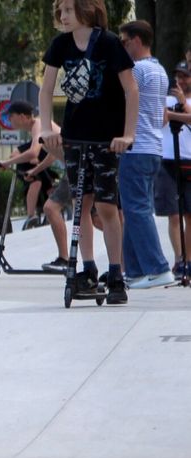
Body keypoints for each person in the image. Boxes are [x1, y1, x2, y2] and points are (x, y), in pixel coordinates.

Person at [40, 0, 137, 305]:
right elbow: (46, 89)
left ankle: (116, 273)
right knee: (80, 203)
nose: (63, 16)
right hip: (74, 136)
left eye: (68, 10)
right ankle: (89, 268)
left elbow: (131, 90)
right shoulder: (61, 45)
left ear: (86, 10)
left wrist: (127, 134)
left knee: (107, 207)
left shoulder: (108, 44)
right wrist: (46, 129)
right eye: (61, 11)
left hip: (106, 140)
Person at [117, 20, 174, 289]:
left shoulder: (136, 70)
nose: (122, 47)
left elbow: (121, 101)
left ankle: (158, 267)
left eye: (125, 42)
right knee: (134, 208)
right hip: (153, 147)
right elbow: (163, 117)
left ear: (137, 41)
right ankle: (137, 271)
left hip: (136, 148)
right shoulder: (160, 70)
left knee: (136, 209)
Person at [0, 101, 57, 229]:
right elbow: (53, 155)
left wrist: (7, 163)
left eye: (11, 116)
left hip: (77, 164)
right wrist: (35, 170)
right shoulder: (37, 129)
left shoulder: (39, 125)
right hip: (72, 164)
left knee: (54, 208)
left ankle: (33, 216)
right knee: (52, 208)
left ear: (22, 116)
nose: (9, 120)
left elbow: (33, 153)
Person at [158, 61, 191, 276]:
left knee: (190, 214)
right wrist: (171, 111)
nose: (180, 81)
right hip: (167, 160)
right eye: (178, 76)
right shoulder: (166, 100)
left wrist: (179, 108)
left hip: (188, 160)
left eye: (185, 77)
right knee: (172, 213)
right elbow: (159, 120)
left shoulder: (182, 101)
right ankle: (179, 259)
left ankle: (189, 259)